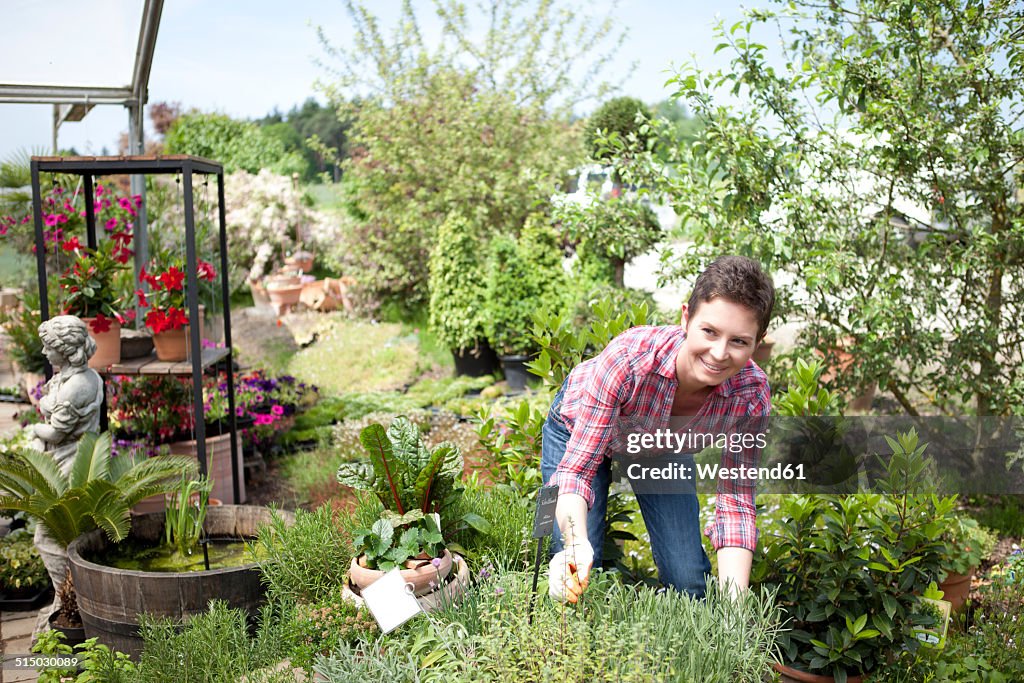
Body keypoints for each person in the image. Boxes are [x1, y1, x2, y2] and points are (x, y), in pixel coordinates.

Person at [543, 255, 775, 602]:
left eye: (739, 341)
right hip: (579, 430)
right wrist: (575, 545)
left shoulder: (751, 395)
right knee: (573, 572)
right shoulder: (629, 359)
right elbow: (576, 473)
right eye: (709, 331)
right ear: (686, 318)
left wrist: (734, 610)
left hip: (660, 445)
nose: (719, 353)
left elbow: (736, 504)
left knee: (689, 582)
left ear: (759, 341)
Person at [32, 316, 104, 470]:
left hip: (68, 461)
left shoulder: (74, 387)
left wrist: (34, 429)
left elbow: (55, 435)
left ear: (65, 351)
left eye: (49, 348)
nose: (44, 352)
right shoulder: (89, 375)